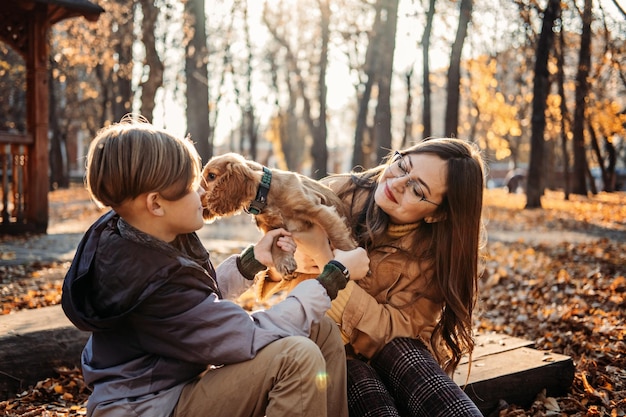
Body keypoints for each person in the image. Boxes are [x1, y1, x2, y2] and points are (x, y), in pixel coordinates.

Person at [61, 116, 370, 417]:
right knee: (296, 357)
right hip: (148, 407)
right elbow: (245, 336)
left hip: (169, 390)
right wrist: (334, 276)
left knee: (320, 329)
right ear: (156, 204)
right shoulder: (145, 279)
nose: (202, 193)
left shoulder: (136, 232)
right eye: (189, 187)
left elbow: (196, 307)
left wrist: (250, 263)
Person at [259, 138, 486, 417]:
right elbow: (274, 266)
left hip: (393, 353)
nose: (397, 182)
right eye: (402, 165)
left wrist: (327, 261)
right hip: (324, 346)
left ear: (438, 214)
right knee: (362, 384)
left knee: (405, 353)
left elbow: (399, 330)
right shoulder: (337, 194)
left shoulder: (437, 254)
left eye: (417, 188)